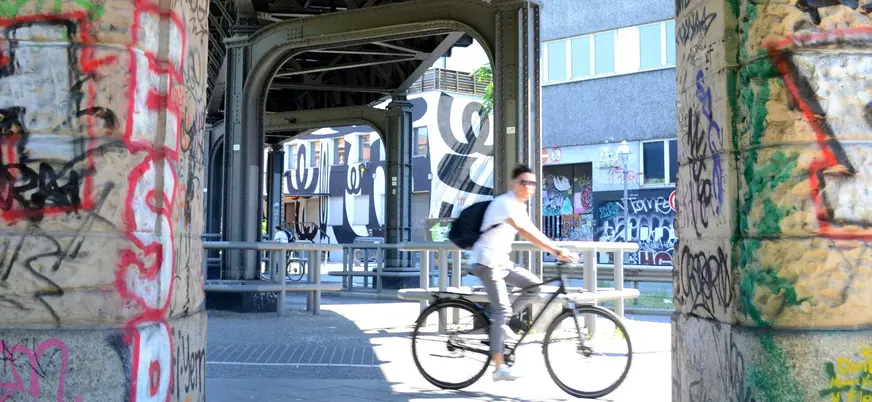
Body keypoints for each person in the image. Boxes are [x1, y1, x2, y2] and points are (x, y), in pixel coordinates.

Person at [469, 164, 579, 382]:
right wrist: (556, 251)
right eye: (523, 182)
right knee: (501, 309)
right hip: (486, 262)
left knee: (535, 287)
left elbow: (533, 230)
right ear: (514, 184)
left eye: (532, 183)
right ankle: (499, 367)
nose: (528, 186)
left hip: (502, 262)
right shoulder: (504, 203)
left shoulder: (520, 207)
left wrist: (556, 248)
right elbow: (525, 232)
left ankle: (498, 326)